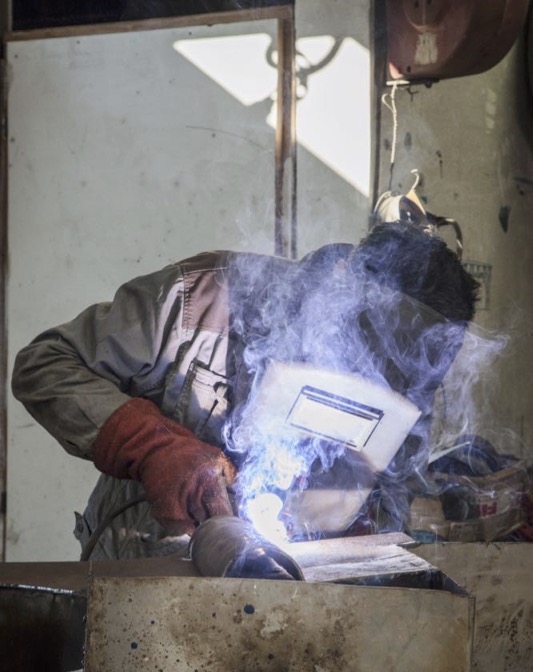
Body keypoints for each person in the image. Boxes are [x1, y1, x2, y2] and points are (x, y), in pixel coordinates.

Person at [11, 221, 479, 559]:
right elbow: (45, 364)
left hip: (284, 582)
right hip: (141, 557)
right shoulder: (204, 300)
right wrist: (151, 447)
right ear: (344, 289)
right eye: (363, 355)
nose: (371, 380)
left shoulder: (411, 379)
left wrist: (366, 518)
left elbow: (395, 490)